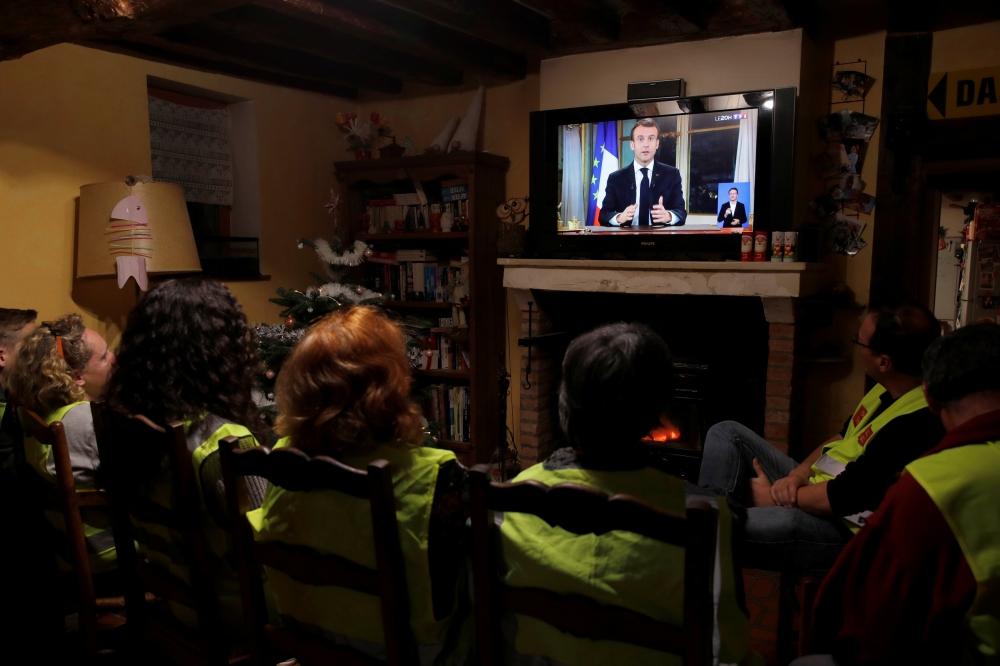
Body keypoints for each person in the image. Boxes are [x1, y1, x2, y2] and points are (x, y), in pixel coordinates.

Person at [498, 323, 752, 666]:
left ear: (564, 400)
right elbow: (728, 652)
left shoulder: (508, 501)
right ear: (656, 412)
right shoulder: (709, 517)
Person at [246, 306, 471, 664]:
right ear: (391, 383)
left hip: (307, 638)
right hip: (409, 651)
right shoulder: (439, 474)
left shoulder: (283, 460)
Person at [798, 323, 1000, 666]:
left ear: (933, 399)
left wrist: (785, 494)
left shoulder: (932, 482)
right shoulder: (879, 396)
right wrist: (797, 474)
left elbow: (868, 614)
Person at [698, 304, 945, 574]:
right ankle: (717, 514)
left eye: (859, 342)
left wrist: (775, 497)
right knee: (726, 432)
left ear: (883, 362)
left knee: (714, 530)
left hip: (845, 527)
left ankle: (711, 540)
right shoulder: (888, 389)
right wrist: (797, 475)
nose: (857, 347)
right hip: (816, 487)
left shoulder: (917, 424)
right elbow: (842, 436)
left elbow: (843, 498)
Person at [103, 278, 269, 635]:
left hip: (180, 603)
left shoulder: (133, 423)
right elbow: (270, 547)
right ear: (221, 352)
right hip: (240, 616)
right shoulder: (223, 443)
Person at [7, 314, 117, 573]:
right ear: (77, 376)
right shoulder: (84, 421)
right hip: (112, 558)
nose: (113, 358)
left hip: (70, 557)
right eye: (103, 356)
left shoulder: (43, 413)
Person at [598, 119, 687, 227]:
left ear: (657, 144)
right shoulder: (616, 178)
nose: (646, 144)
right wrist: (620, 217)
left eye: (651, 138)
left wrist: (668, 216)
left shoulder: (672, 174)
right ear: (632, 145)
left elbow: (681, 213)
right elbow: (604, 215)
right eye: (640, 139)